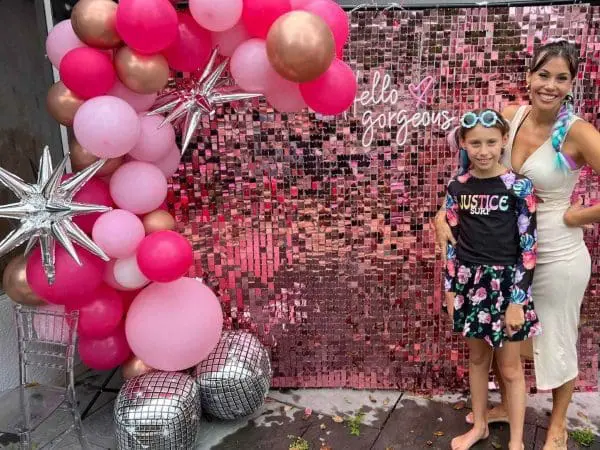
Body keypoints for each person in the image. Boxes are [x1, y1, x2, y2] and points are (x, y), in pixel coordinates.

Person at [436, 40, 600, 449]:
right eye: (543, 74)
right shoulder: (511, 116)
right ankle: (510, 408)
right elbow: (468, 175)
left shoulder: (578, 132)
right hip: (504, 255)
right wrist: (441, 216)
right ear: (528, 77)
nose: (550, 85)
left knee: (558, 340)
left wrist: (576, 216)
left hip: (558, 253)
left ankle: (558, 423)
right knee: (514, 343)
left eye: (561, 77)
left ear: (571, 84)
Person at [444, 108, 540, 450]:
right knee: (478, 360)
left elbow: (528, 249)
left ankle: (516, 441)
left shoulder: (518, 187)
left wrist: (517, 301)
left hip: (508, 287)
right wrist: (450, 289)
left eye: (490, 143)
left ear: (503, 143)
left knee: (511, 368)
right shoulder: (458, 186)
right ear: (465, 145)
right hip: (471, 286)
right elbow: (451, 244)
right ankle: (480, 425)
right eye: (475, 144)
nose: (483, 151)